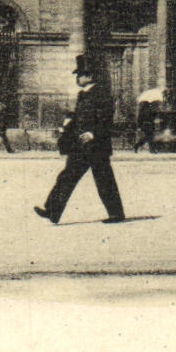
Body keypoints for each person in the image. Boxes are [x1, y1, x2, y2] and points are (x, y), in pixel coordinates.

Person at [35, 55, 125, 225]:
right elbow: (79, 117)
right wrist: (67, 125)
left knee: (104, 179)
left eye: (80, 75)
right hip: (81, 145)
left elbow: (106, 118)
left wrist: (93, 134)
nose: (77, 78)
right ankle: (52, 211)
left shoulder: (101, 94)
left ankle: (116, 214)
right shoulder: (83, 94)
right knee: (67, 176)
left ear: (89, 76)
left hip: (96, 145)